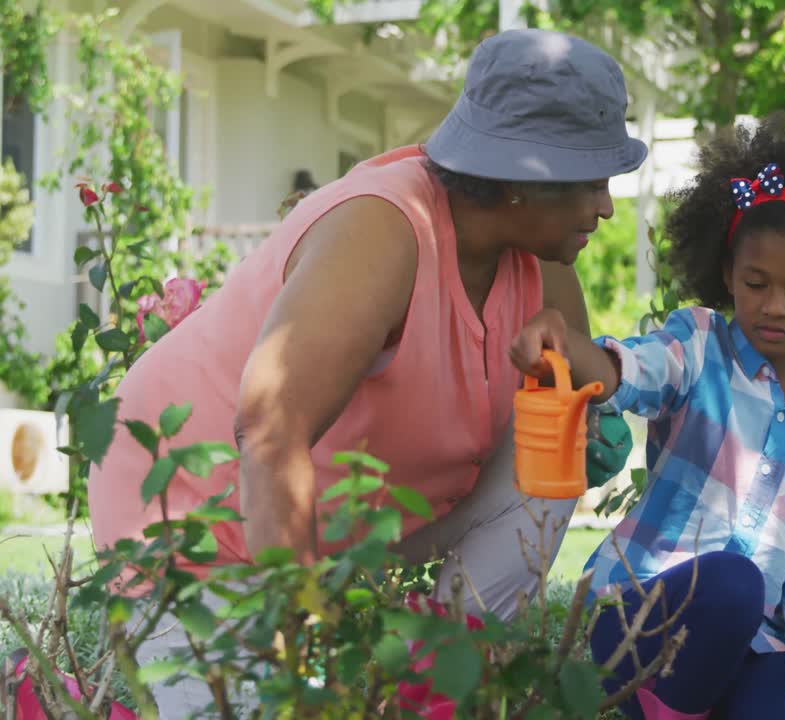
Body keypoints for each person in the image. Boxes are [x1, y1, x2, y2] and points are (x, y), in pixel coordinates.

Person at [87, 28, 646, 717]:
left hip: (354, 521)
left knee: (554, 434)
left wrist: (591, 406)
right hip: (194, 520)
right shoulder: (384, 228)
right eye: (590, 181)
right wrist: (299, 661)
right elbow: (270, 431)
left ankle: (446, 670)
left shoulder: (544, 269)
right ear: (520, 179)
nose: (607, 207)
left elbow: (565, 430)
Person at [509, 117, 785, 720]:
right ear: (727, 275)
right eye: (755, 283)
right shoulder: (699, 347)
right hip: (635, 624)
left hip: (749, 646)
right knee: (733, 583)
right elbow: (634, 372)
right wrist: (571, 345)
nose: (774, 306)